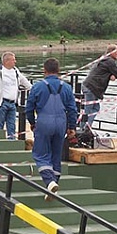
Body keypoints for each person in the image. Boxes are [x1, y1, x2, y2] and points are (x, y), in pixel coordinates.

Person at [25, 58, 78, 201]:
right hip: (61, 123)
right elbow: (72, 109)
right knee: (56, 156)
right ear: (58, 70)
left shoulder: (37, 86)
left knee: (40, 154)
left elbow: (29, 108)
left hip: (44, 122)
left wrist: (32, 122)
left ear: (44, 70)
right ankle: (53, 187)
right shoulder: (66, 87)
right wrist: (72, 127)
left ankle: (49, 182)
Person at [80, 44, 117, 129]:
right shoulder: (110, 61)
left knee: (93, 108)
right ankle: (84, 128)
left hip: (88, 85)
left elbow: (101, 71)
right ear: (112, 52)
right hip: (92, 87)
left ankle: (86, 127)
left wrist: (109, 75)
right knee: (90, 109)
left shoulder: (103, 59)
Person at [0, 52, 32, 140]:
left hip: (12, 103)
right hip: (1, 102)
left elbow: (25, 82)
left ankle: (11, 140)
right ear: (6, 61)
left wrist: (30, 88)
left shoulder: (16, 72)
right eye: (13, 60)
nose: (15, 61)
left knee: (12, 125)